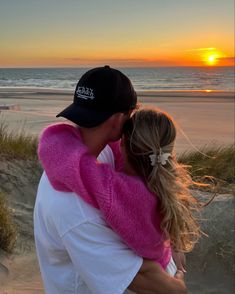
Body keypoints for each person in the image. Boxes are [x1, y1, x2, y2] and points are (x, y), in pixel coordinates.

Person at [34, 66, 187, 294]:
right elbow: (160, 287)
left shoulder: (77, 162)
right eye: (130, 116)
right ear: (118, 121)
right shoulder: (77, 213)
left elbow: (144, 166)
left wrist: (171, 239)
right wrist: (180, 279)